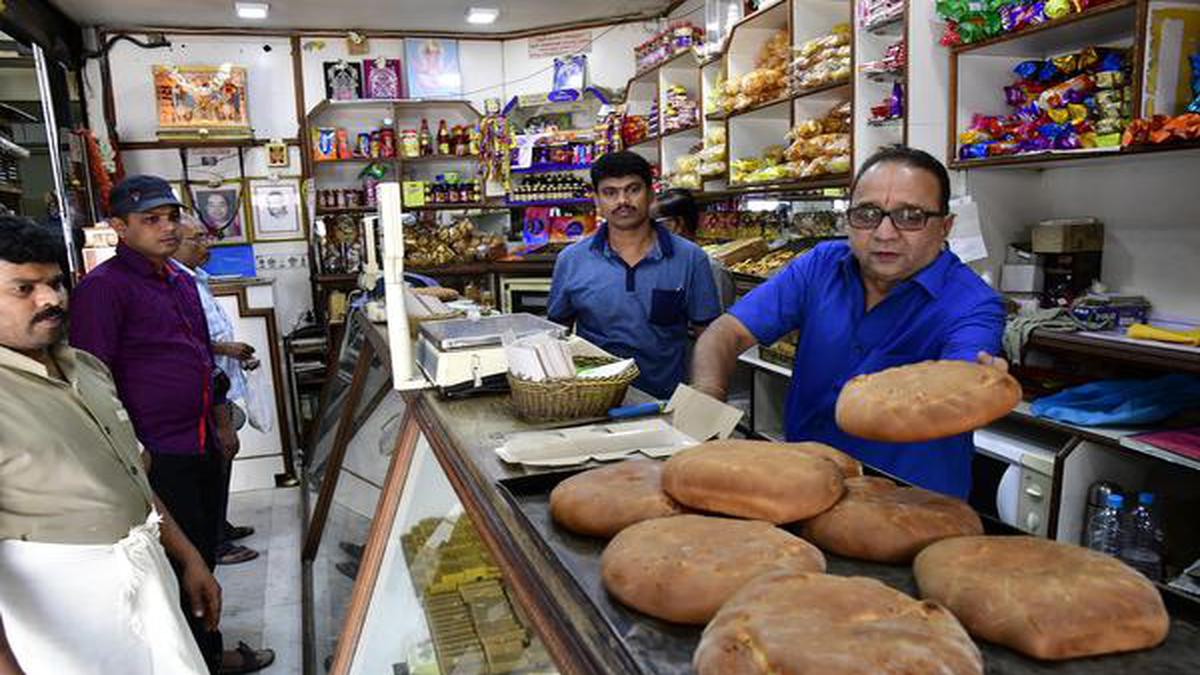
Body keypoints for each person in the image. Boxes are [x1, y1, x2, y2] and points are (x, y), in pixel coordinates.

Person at [691, 146, 1006, 498]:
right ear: (848, 218)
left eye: (910, 216)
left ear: (945, 226)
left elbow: (959, 382)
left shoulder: (972, 304)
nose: (885, 233)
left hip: (912, 506)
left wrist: (979, 383)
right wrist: (707, 401)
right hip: (807, 487)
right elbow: (726, 333)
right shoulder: (821, 265)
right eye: (868, 213)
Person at [68, 176, 271, 674]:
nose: (166, 228)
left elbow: (202, 359)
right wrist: (131, 449)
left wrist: (222, 423)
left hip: (201, 438)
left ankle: (206, 648)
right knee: (178, 564)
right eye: (150, 220)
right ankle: (196, 660)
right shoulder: (103, 289)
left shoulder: (180, 280)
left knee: (203, 549)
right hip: (157, 452)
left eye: (171, 217)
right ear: (119, 227)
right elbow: (94, 378)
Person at [0, 215, 217, 674]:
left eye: (55, 283)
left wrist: (187, 555)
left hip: (144, 576)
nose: (50, 299)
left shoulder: (88, 369)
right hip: (61, 609)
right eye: (24, 289)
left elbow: (132, 476)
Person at [547, 152, 722, 399]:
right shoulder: (572, 260)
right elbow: (558, 333)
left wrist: (705, 396)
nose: (622, 200)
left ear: (651, 194)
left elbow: (709, 336)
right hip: (592, 400)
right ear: (596, 199)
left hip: (665, 402)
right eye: (610, 192)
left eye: (632, 189)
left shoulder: (690, 259)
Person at [172, 216, 263, 568]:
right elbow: (188, 344)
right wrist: (225, 350)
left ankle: (219, 524)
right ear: (175, 244)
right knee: (216, 460)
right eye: (197, 239)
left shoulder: (198, 279)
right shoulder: (178, 283)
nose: (205, 246)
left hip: (220, 388)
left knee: (221, 463)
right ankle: (215, 543)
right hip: (207, 393)